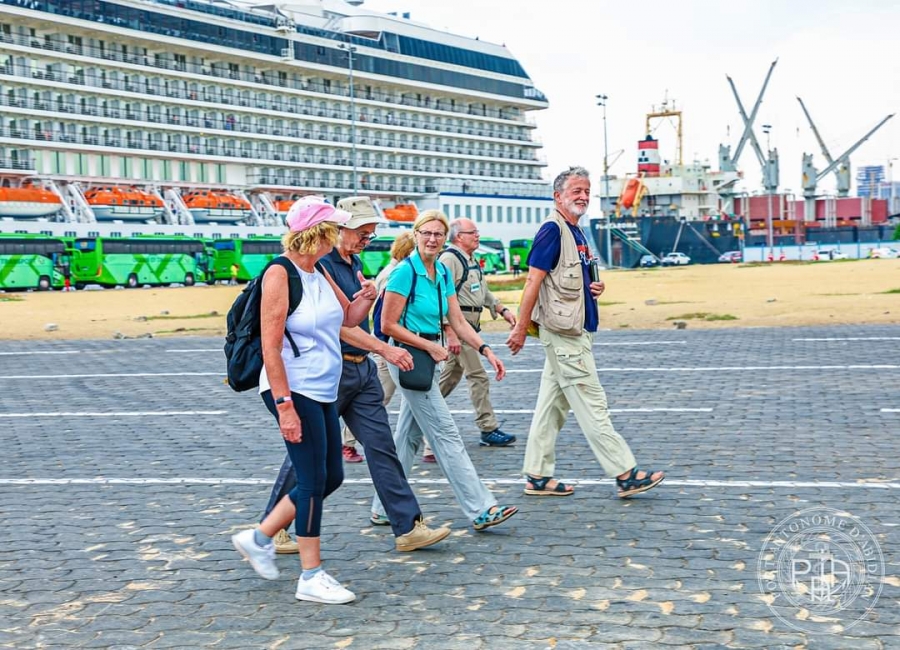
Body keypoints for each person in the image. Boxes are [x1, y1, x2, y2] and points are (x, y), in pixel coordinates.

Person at [261, 197, 450, 554]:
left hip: (357, 371)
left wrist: (367, 297)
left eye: (371, 231)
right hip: (324, 375)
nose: (369, 237)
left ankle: (408, 526)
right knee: (308, 459)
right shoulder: (311, 266)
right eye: (362, 231)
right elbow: (336, 329)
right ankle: (275, 531)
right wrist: (385, 348)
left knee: (380, 446)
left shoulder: (352, 262)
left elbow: (348, 317)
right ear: (335, 230)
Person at [231, 196, 378, 605]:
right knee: (312, 480)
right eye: (335, 228)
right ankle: (310, 576)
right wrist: (284, 407)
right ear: (319, 232)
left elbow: (347, 318)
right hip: (292, 388)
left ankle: (259, 537)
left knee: (332, 477)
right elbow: (271, 346)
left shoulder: (318, 270)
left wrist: (367, 296)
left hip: (322, 387)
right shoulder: (280, 273)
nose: (342, 235)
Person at [506, 167, 665, 499]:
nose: (583, 196)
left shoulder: (575, 231)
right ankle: (625, 473)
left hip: (574, 330)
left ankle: (537, 475)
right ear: (558, 196)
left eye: (586, 191)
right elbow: (533, 281)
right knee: (593, 404)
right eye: (576, 190)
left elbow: (564, 279)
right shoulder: (552, 230)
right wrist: (520, 328)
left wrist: (594, 286)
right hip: (564, 335)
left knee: (551, 406)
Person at [371, 210, 518, 531]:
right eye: (427, 233)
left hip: (429, 359)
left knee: (407, 437)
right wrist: (430, 347)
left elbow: (459, 321)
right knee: (447, 434)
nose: (432, 239)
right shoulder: (404, 273)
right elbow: (387, 325)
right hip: (409, 360)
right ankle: (481, 508)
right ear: (416, 234)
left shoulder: (440, 271)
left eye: (438, 234)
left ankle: (383, 506)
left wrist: (486, 350)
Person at [418, 218, 518, 463]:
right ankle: (488, 428)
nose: (477, 235)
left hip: (469, 328)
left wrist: (501, 309)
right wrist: (450, 330)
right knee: (478, 376)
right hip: (459, 330)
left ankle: (421, 414)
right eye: (472, 232)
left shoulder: (470, 260)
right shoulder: (450, 260)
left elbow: (481, 291)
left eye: (477, 231)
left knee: (448, 380)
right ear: (458, 236)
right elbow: (438, 294)